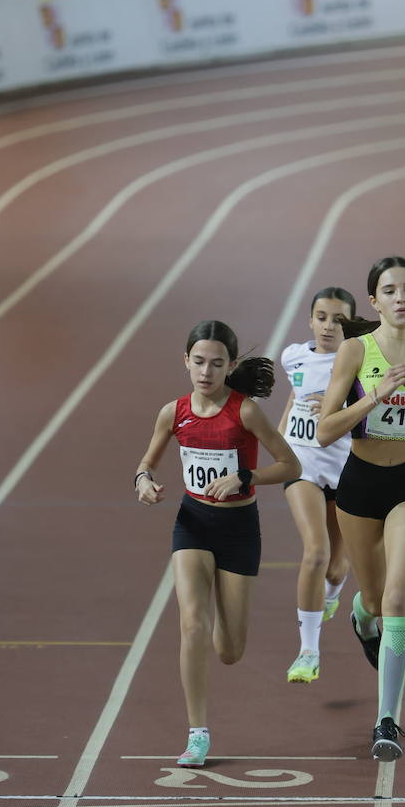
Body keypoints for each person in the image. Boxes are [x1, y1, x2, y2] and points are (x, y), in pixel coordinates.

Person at [134, 320, 300, 767]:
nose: (206, 372)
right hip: (193, 523)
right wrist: (144, 481)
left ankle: (221, 624)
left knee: (229, 650)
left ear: (230, 366)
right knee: (191, 624)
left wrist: (247, 476)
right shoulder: (173, 412)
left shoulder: (246, 412)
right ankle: (198, 733)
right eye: (199, 362)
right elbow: (147, 463)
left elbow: (291, 465)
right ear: (186, 362)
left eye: (216, 363)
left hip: (239, 528)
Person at [316, 256, 405, 761]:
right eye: (390, 290)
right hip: (359, 484)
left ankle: (387, 721)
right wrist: (372, 396)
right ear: (375, 301)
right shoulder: (356, 351)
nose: (400, 297)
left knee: (399, 598)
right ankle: (361, 616)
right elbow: (325, 429)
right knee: (377, 602)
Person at [278, 287, 357, 684]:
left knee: (337, 567)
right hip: (302, 465)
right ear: (310, 320)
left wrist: (337, 404)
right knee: (316, 552)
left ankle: (331, 595)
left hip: (344, 470)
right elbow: (294, 396)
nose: (328, 326)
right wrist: (280, 444)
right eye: (322, 317)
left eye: (338, 320)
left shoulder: (359, 363)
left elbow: (372, 409)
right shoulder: (293, 355)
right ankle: (308, 652)